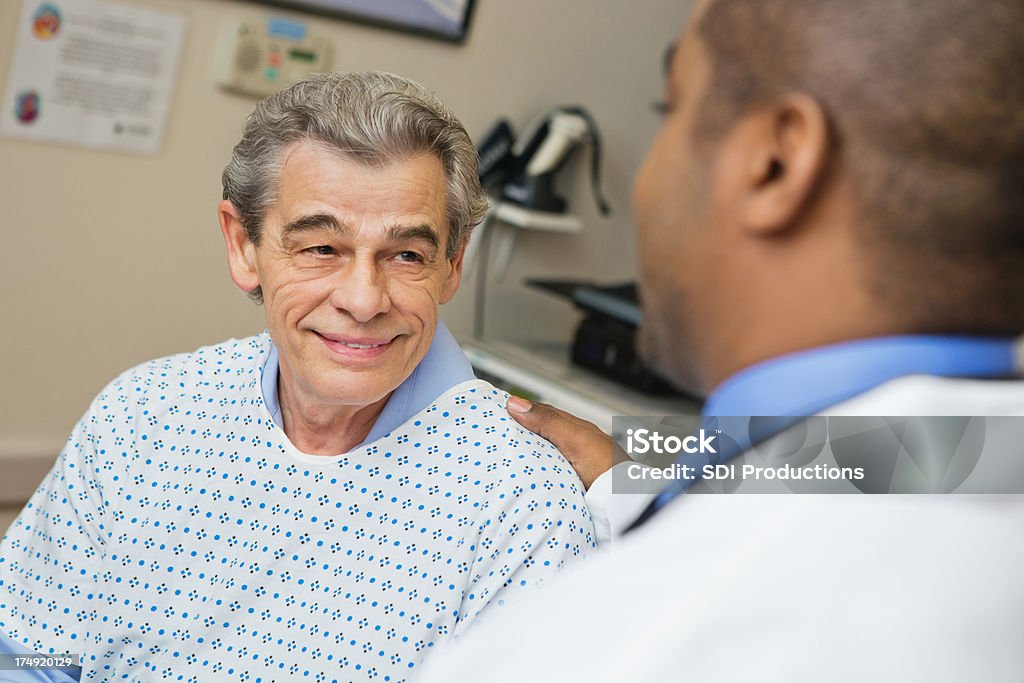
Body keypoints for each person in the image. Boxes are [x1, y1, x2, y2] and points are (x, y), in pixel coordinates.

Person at [418, 0, 1024, 680]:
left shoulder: (621, 646)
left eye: (667, 109)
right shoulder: (981, 447)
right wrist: (637, 485)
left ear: (775, 162)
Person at [0, 71, 595, 682]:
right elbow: (36, 652)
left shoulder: (522, 500)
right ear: (243, 246)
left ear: (451, 265)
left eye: (406, 255)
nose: (364, 299)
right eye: (320, 249)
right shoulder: (143, 416)